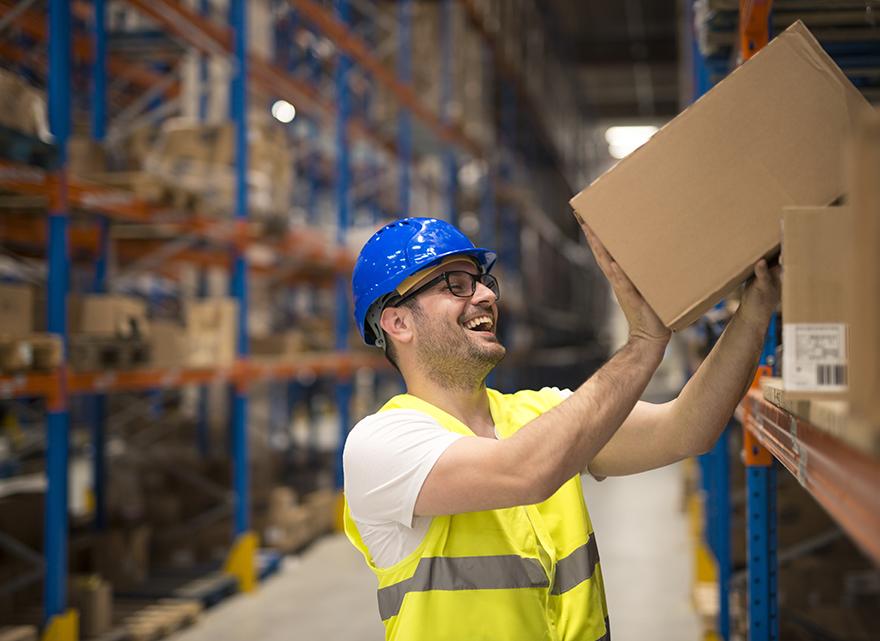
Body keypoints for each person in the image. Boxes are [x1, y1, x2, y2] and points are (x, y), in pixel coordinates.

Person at [343, 217, 780, 641]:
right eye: (455, 284)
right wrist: (643, 345)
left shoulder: (540, 413)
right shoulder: (380, 446)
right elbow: (523, 472)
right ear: (398, 323)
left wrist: (757, 309)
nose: (484, 296)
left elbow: (687, 429)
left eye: (482, 282)